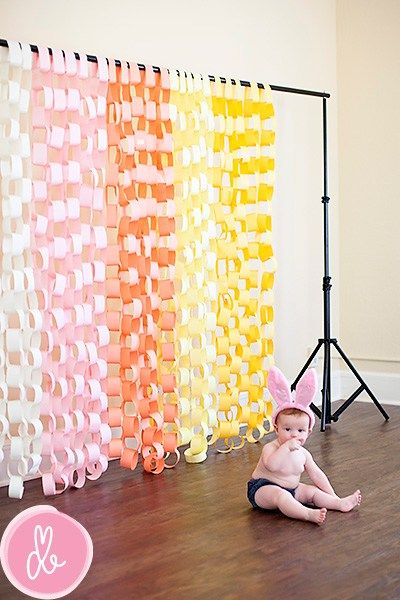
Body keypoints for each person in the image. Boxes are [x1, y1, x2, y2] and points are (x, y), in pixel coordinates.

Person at [247, 366, 362, 524]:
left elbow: (317, 475)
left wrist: (332, 494)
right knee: (282, 496)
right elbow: (272, 466)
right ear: (276, 429)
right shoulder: (271, 448)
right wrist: (285, 448)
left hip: (292, 488)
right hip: (263, 489)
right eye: (287, 429)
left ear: (308, 432)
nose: (294, 434)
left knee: (312, 492)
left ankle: (339, 503)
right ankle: (308, 514)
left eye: (300, 430)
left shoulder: (304, 454)